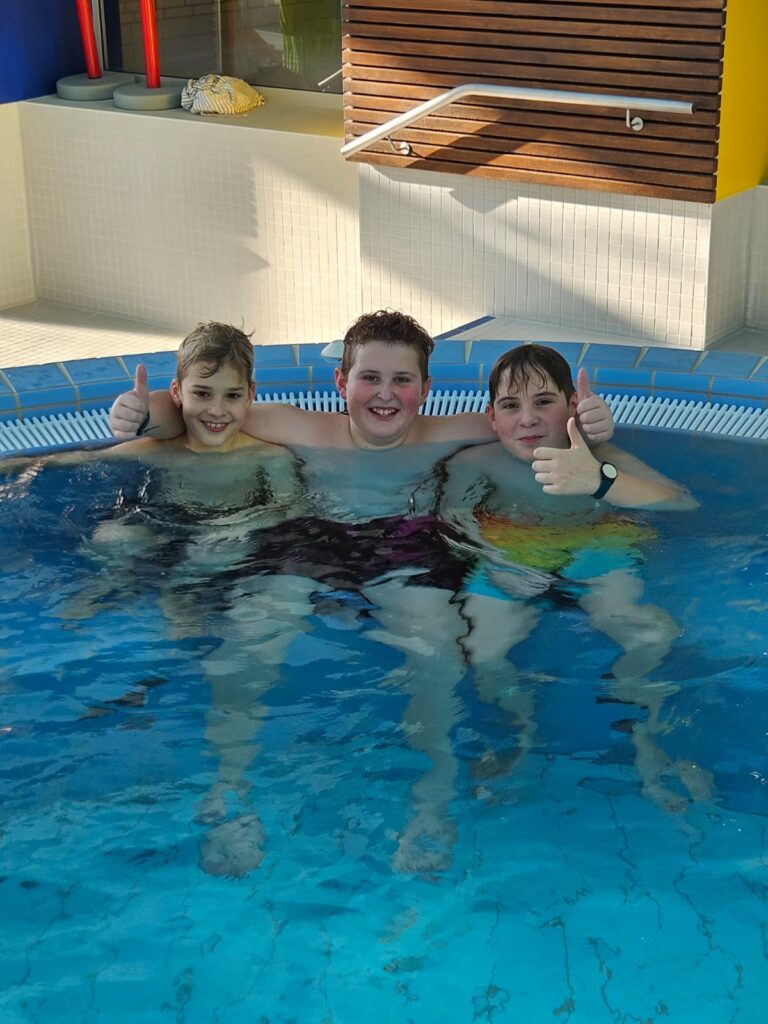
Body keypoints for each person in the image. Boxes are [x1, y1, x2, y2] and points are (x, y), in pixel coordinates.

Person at [440, 344, 708, 810]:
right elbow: (453, 523)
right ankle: (520, 732)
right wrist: (497, 559)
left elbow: (681, 501)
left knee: (647, 631)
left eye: (543, 402)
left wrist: (600, 478)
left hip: (596, 548)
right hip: (511, 552)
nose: (527, 418)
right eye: (511, 406)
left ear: (572, 406)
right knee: (480, 647)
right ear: (492, 418)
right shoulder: (474, 463)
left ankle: (645, 733)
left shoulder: (600, 456)